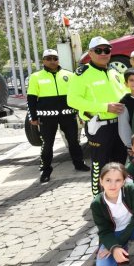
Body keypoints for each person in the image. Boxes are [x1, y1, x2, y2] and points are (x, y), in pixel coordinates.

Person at [67, 36, 128, 195]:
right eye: (98, 50)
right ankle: (98, 198)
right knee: (99, 166)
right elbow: (73, 100)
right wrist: (105, 107)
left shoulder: (114, 71)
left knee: (119, 163)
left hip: (119, 125)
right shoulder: (82, 73)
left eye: (106, 50)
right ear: (90, 53)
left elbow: (124, 93)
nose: (103, 53)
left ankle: (117, 197)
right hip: (100, 126)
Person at [27, 49, 88, 183]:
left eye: (55, 58)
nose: (52, 61)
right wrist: (33, 117)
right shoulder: (36, 77)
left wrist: (81, 113)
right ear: (43, 61)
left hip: (68, 115)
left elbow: (77, 95)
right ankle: (45, 170)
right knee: (47, 144)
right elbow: (31, 98)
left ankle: (79, 164)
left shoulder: (69, 75)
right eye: (49, 58)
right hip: (47, 118)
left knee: (74, 142)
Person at [91, 163, 134, 266]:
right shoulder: (97, 203)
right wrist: (113, 247)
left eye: (118, 180)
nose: (113, 185)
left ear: (124, 181)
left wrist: (118, 244)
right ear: (101, 181)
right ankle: (121, 251)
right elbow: (104, 231)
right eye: (108, 180)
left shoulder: (131, 189)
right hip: (114, 234)